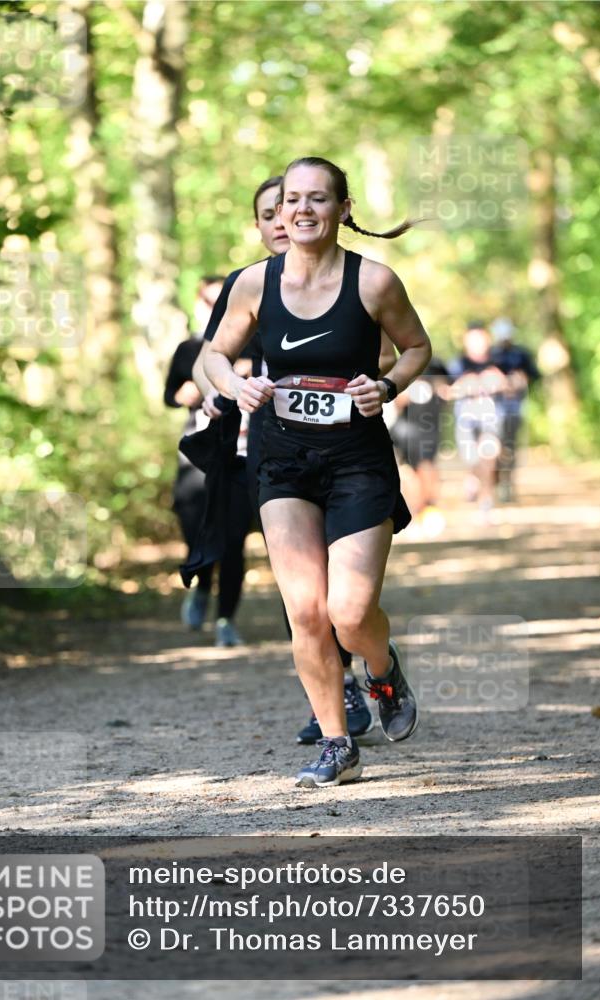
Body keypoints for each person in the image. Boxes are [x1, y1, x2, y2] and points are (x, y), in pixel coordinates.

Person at [205, 156, 432, 787]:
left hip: (356, 460)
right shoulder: (255, 283)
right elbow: (216, 354)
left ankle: (383, 673)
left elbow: (417, 347)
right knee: (306, 611)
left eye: (318, 198)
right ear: (279, 211)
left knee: (350, 613)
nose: (302, 210)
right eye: (292, 200)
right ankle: (338, 743)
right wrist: (236, 387)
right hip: (282, 462)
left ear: (343, 208)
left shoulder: (374, 282)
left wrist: (386, 387)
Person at [192, 176, 380, 744]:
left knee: (346, 592)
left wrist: (369, 384)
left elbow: (388, 350)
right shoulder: (247, 283)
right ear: (259, 225)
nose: (284, 218)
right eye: (271, 211)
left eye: (294, 205)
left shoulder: (353, 281)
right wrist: (221, 389)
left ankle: (362, 661)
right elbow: (208, 357)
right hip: (266, 445)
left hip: (346, 447)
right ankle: (335, 698)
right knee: (301, 587)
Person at [165, 276, 252, 647]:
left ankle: (225, 620)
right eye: (208, 300)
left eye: (222, 300)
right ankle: (201, 585)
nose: (215, 307)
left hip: (241, 457)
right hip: (197, 460)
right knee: (195, 531)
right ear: (198, 304)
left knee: (233, 542)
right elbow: (169, 395)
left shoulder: (254, 342)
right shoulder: (188, 349)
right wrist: (182, 394)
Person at [448, 322, 509, 517]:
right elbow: (447, 391)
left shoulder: (499, 361)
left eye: (480, 338)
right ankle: (473, 478)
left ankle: (486, 502)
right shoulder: (457, 364)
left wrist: (499, 382)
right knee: (474, 461)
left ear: (487, 339)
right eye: (472, 339)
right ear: (465, 341)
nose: (477, 343)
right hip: (466, 421)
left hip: (492, 417)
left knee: (489, 455)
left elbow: (513, 384)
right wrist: (466, 385)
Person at [390, 357, 450, 536]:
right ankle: (416, 514)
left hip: (428, 429)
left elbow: (446, 391)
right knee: (410, 473)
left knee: (426, 468)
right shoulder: (403, 364)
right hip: (406, 430)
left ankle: (428, 509)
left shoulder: (437, 366)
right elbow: (397, 399)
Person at [490, 317, 540, 502]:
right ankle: (492, 480)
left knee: (509, 446)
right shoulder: (490, 354)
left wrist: (522, 378)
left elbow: (535, 375)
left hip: (514, 410)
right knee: (492, 447)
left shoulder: (521, 354)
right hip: (491, 410)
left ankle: (507, 483)